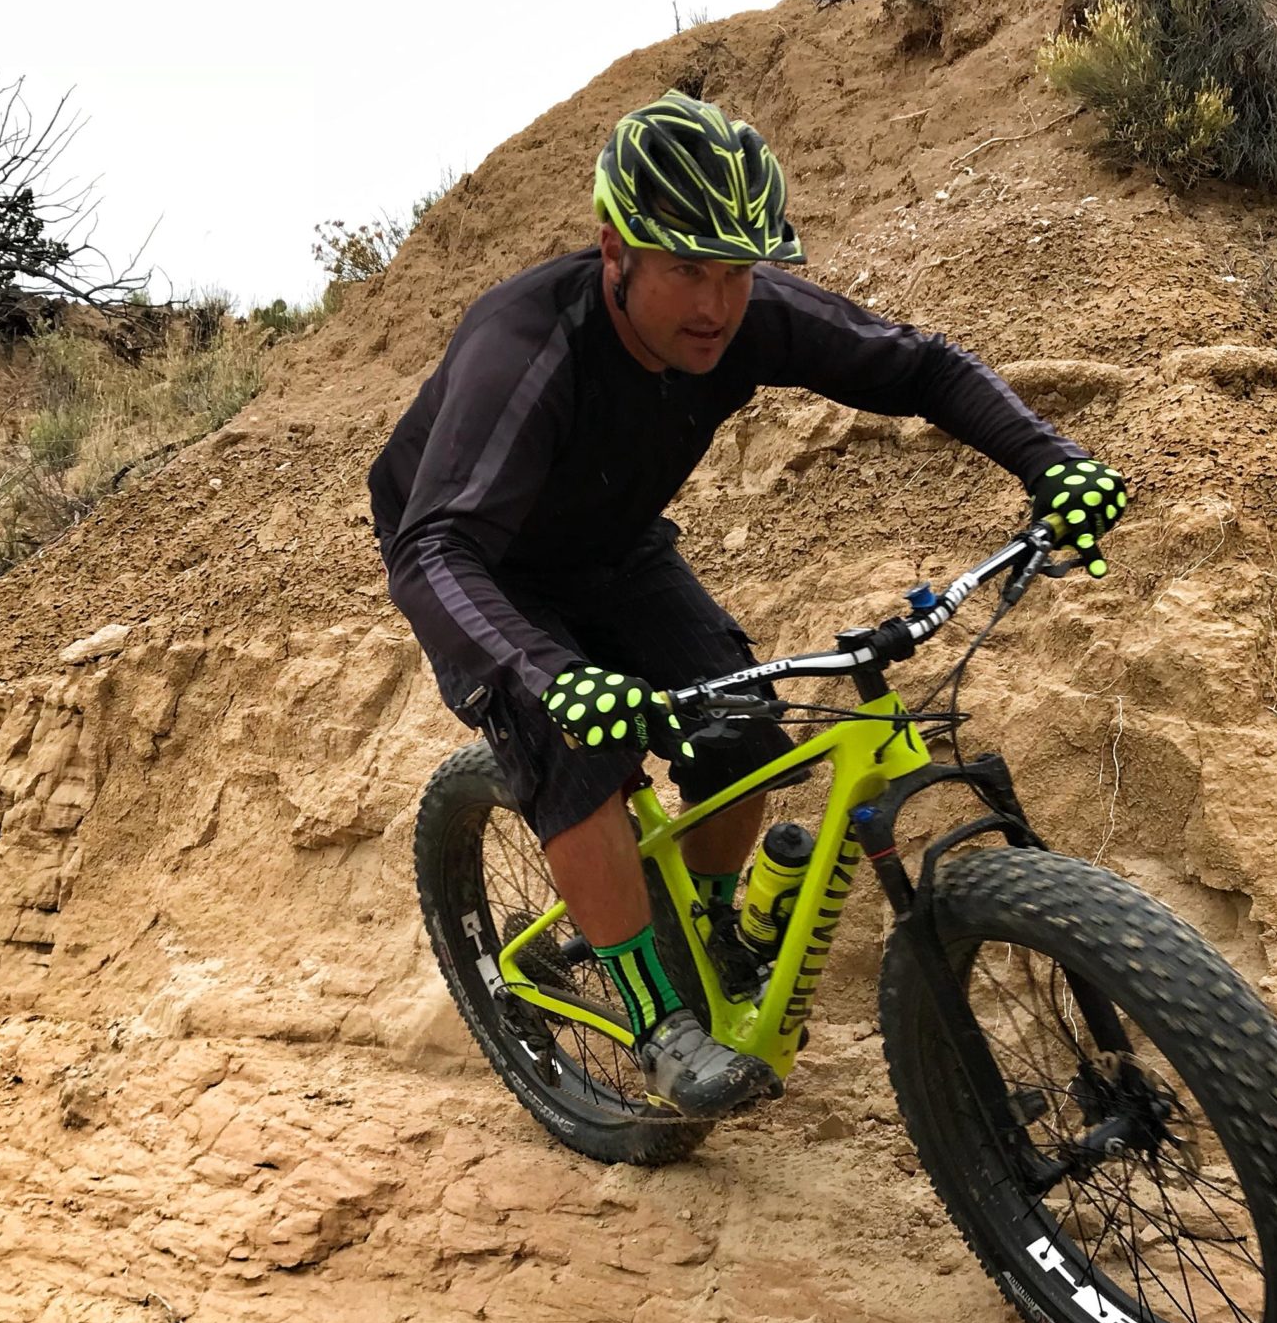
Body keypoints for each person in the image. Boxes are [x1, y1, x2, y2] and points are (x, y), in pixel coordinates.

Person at [370, 90, 1129, 1118]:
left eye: (737, 271)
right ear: (614, 250)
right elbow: (435, 547)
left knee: (740, 736)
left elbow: (919, 365)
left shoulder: (742, 321)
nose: (715, 306)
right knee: (579, 756)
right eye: (686, 267)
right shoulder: (527, 348)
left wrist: (1053, 462)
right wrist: (553, 674)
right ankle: (656, 1023)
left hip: (612, 545)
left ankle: (714, 929)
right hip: (477, 562)